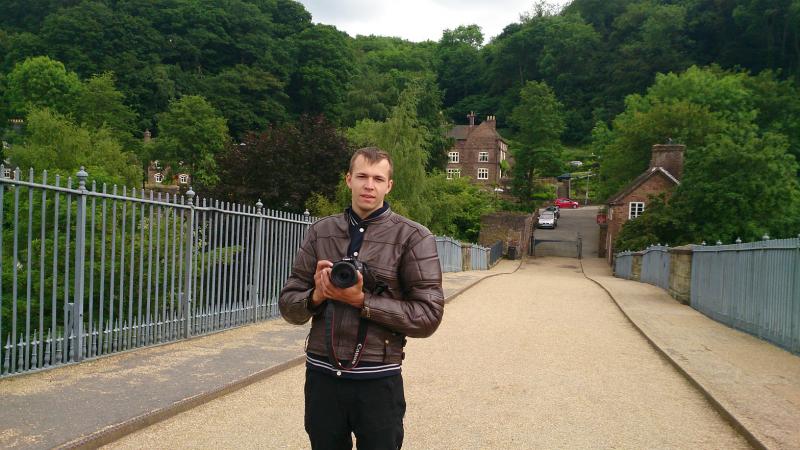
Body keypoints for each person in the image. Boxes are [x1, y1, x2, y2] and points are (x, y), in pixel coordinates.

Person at [279, 147, 444, 449]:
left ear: (389, 185)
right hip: (322, 376)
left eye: (378, 178)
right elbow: (288, 304)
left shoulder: (414, 237)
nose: (369, 185)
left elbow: (428, 317)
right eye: (362, 176)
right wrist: (317, 294)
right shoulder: (320, 232)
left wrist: (361, 301)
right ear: (348, 180)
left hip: (378, 380)